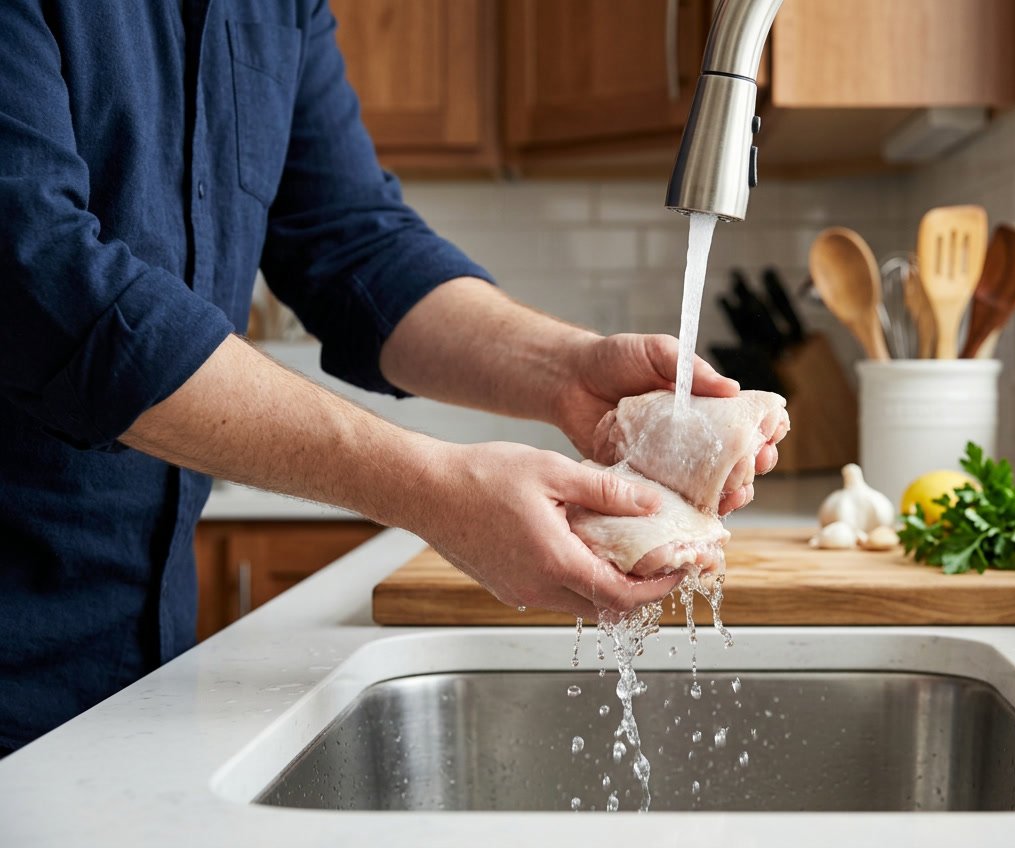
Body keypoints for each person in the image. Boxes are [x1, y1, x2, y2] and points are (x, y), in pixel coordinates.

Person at [0, 1, 779, 759]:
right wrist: (431, 487)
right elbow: (52, 293)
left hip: (145, 664)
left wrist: (567, 370)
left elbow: (352, 246)